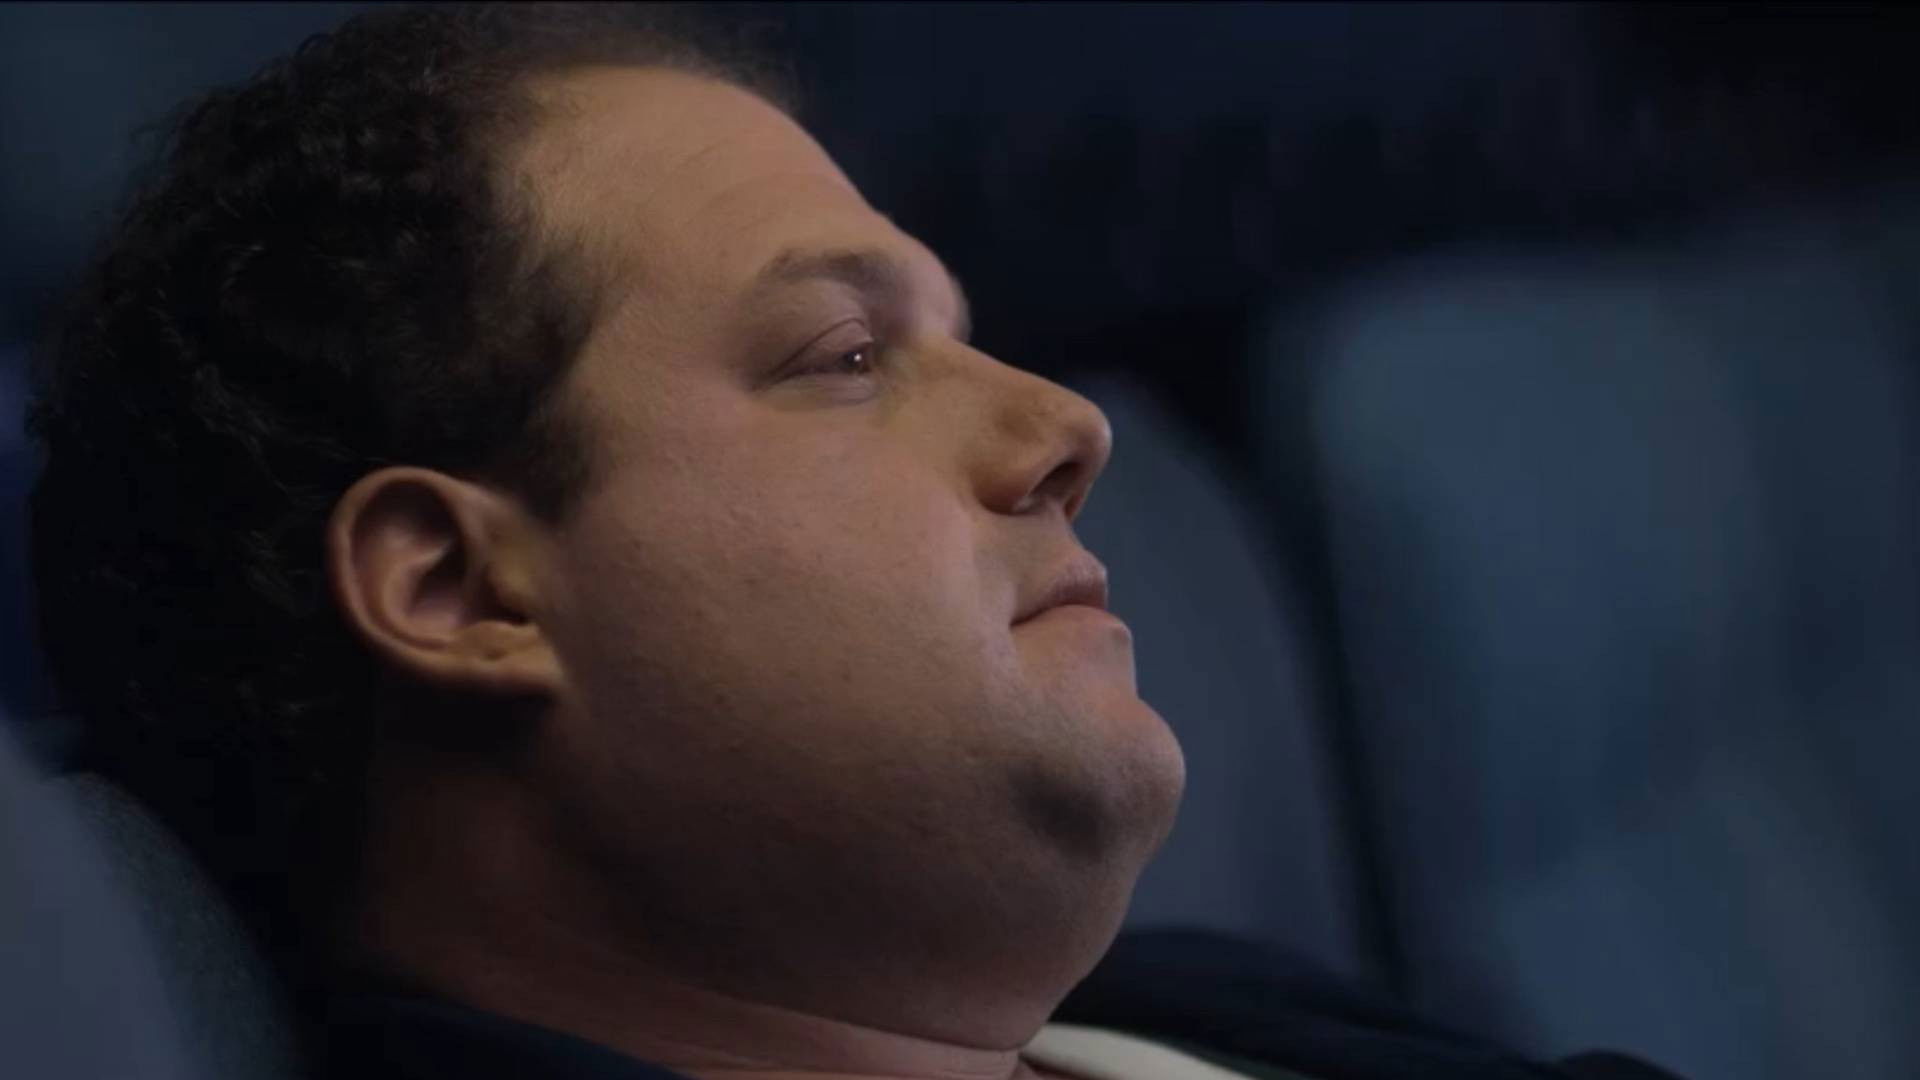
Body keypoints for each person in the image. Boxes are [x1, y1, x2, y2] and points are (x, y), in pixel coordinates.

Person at [25, 5, 1681, 1079]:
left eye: (964, 337)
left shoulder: (1202, 1003)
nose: (1068, 430)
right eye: (845, 356)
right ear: (458, 591)